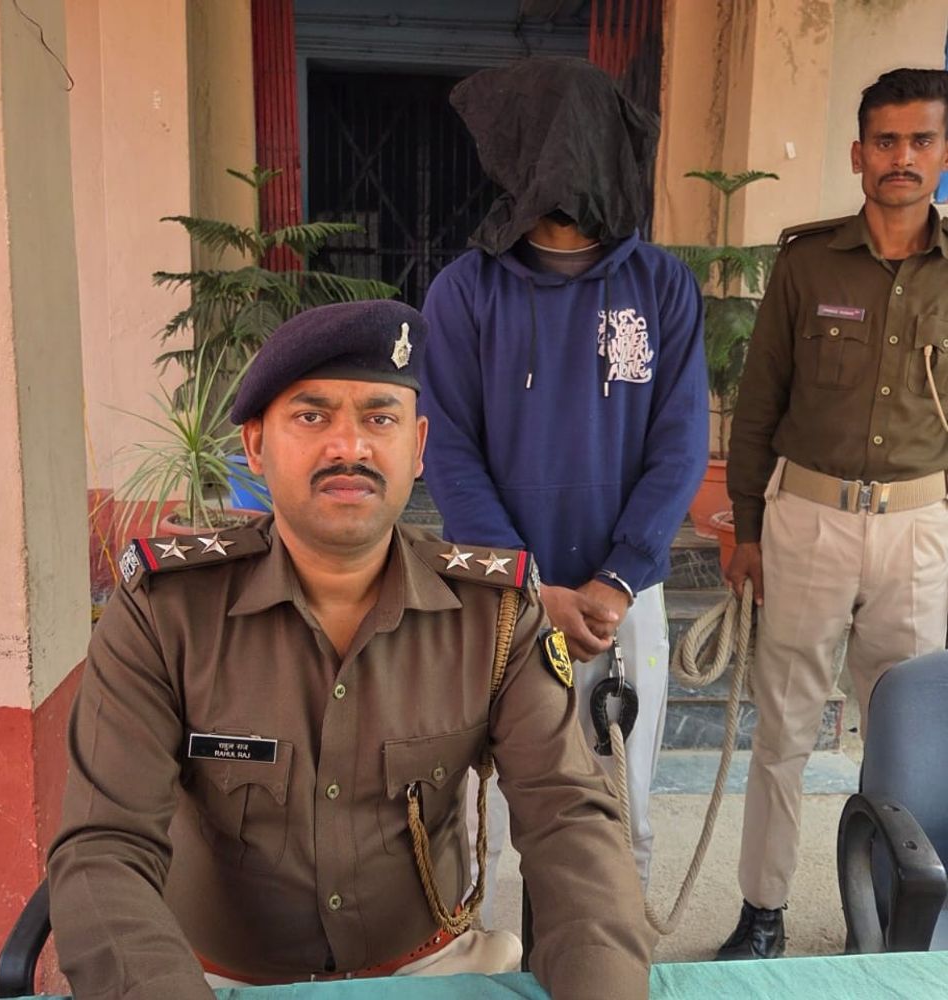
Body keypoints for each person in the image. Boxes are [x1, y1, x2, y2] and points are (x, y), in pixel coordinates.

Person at [47, 299, 656, 1000]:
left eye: (379, 418)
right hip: (210, 980)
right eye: (312, 417)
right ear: (255, 446)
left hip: (427, 973)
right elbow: (105, 848)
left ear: (418, 447)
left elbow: (569, 821)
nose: (350, 448)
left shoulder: (495, 615)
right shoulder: (165, 611)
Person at [419, 56, 709, 907]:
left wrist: (619, 576)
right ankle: (512, 964)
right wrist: (529, 586)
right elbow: (450, 452)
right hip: (505, 602)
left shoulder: (660, 286)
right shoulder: (464, 293)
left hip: (625, 601)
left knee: (622, 812)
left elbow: (680, 444)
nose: (562, 161)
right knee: (501, 820)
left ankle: (610, 964)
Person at [718, 67, 948, 961]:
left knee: (908, 733)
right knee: (783, 728)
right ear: (858, 154)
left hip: (917, 530)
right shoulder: (807, 263)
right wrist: (745, 528)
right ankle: (763, 910)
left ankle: (894, 909)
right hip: (807, 523)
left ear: (942, 152)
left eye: (920, 139)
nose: (902, 157)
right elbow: (758, 404)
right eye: (886, 140)